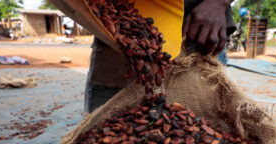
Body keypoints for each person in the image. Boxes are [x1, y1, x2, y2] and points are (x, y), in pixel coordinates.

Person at [85, 0, 236, 113]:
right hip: (117, 32)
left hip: (199, 31)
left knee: (199, 126)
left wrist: (218, 2)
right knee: (102, 126)